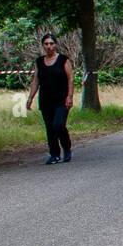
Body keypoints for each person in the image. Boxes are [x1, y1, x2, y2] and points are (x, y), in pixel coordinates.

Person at [24, 33, 75, 164]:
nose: (49, 46)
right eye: (46, 44)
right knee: (50, 128)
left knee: (58, 125)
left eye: (51, 43)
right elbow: (35, 81)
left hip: (62, 99)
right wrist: (30, 98)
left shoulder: (63, 60)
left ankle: (67, 148)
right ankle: (55, 154)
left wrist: (69, 96)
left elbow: (70, 79)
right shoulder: (39, 62)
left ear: (55, 44)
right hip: (46, 100)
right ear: (43, 45)